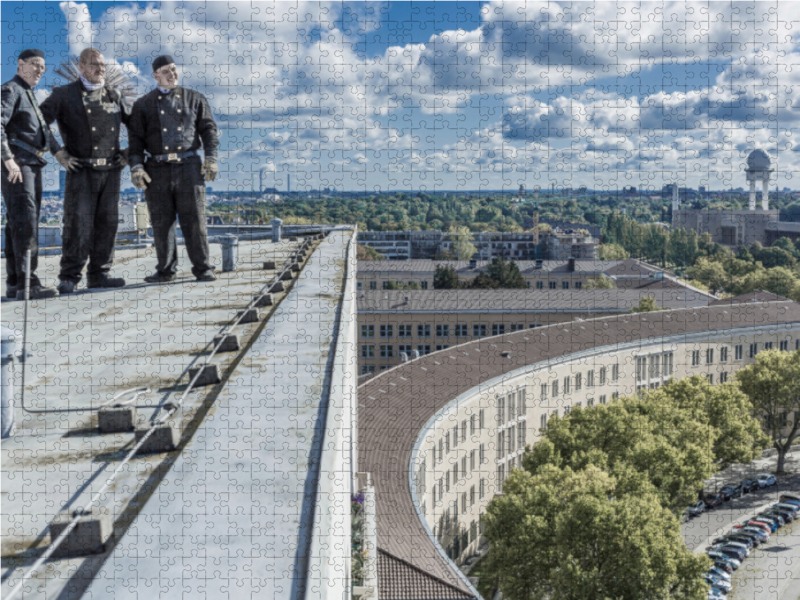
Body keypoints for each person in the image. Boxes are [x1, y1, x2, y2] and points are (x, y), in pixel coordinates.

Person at [40, 48, 132, 294]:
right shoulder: (63, 95)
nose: (100, 69)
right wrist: (58, 152)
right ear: (81, 66)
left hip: (111, 172)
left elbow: (139, 126)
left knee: (107, 223)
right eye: (94, 65)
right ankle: (69, 277)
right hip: (80, 170)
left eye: (102, 65)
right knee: (77, 224)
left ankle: (99, 275)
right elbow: (37, 121)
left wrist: (128, 153)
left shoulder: (115, 94)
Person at [128, 55, 218, 283]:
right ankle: (166, 270)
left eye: (174, 69)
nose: (172, 74)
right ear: (155, 75)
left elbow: (208, 130)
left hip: (189, 166)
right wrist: (136, 167)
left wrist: (211, 157)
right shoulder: (143, 104)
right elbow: (135, 141)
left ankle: (203, 267)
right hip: (156, 169)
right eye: (166, 71)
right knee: (161, 222)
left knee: (195, 220)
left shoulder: (195, 98)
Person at [1, 49, 62, 300]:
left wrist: (59, 153)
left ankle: (16, 282)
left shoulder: (29, 94)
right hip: (18, 164)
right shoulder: (11, 89)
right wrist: (8, 160)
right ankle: (29, 283)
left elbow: (44, 131)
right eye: (36, 65)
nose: (40, 70)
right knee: (26, 221)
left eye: (43, 68)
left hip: (30, 163)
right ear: (21, 64)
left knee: (18, 221)